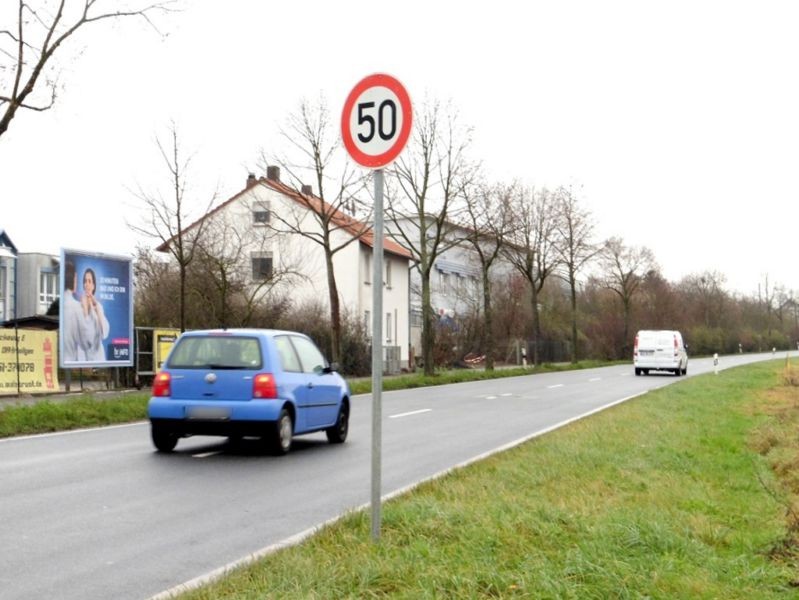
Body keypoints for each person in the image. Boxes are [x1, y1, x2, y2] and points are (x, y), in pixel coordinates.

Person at [79, 267, 109, 362]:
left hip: (98, 355)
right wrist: (84, 308)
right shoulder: (78, 306)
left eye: (89, 281)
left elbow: (104, 333)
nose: (87, 284)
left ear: (94, 286)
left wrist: (97, 309)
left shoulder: (98, 306)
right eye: (85, 281)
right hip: (83, 354)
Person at [61, 260, 86, 362]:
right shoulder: (76, 307)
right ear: (72, 278)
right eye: (76, 277)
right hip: (72, 359)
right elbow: (85, 342)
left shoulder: (62, 303)